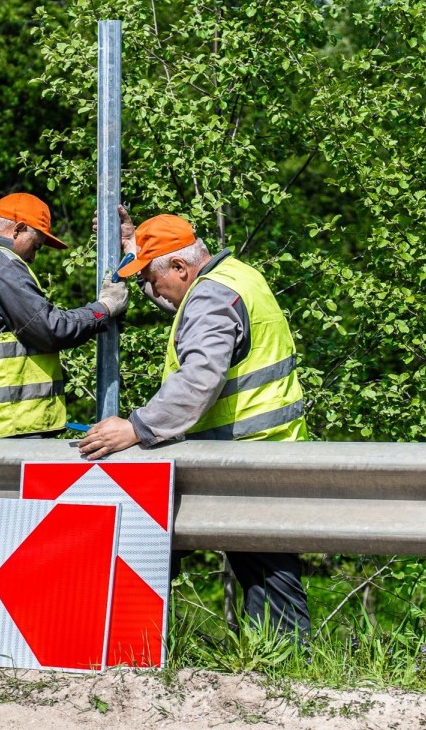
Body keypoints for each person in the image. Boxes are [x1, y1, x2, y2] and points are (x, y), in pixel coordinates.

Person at [78, 209, 310, 637]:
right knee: (266, 574)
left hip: (246, 455)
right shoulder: (237, 275)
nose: (150, 290)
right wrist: (133, 241)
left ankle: (286, 662)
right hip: (264, 448)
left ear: (181, 267)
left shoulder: (208, 297)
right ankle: (281, 663)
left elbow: (200, 376)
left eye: (150, 278)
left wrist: (137, 427)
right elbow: (165, 262)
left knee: (265, 576)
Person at [0, 192, 128, 439]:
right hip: (8, 425)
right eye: (36, 245)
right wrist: (104, 307)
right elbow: (50, 329)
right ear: (18, 229)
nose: (32, 257)